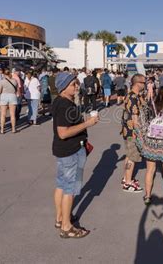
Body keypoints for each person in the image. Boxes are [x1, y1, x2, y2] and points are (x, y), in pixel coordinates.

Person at [52, 72, 99, 239]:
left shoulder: (61, 102)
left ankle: (60, 218)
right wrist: (88, 123)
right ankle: (66, 226)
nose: (77, 86)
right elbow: (63, 132)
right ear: (64, 87)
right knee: (69, 189)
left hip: (64, 150)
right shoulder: (65, 104)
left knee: (62, 184)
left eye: (77, 83)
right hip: (71, 150)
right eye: (73, 84)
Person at [120, 74, 146, 193]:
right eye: (144, 83)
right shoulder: (133, 97)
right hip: (133, 132)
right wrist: (139, 132)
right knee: (132, 157)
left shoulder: (130, 94)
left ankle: (126, 177)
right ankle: (128, 182)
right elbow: (135, 117)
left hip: (127, 130)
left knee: (129, 156)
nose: (145, 85)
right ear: (138, 83)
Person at [0, 69, 18, 133]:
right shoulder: (15, 81)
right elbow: (16, 89)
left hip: (4, 96)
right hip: (12, 96)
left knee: (3, 114)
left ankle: (2, 129)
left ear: (4, 74)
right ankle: (13, 129)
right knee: (12, 114)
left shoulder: (1, 81)